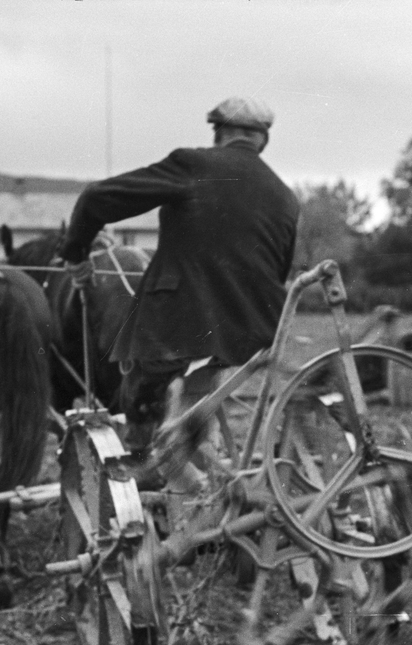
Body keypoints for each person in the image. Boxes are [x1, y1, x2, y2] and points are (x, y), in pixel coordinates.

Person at [58, 96, 299, 492]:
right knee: (201, 385)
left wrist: (76, 254)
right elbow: (279, 268)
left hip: (176, 319)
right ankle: (188, 456)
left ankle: (145, 460)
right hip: (253, 333)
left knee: (141, 383)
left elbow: (96, 198)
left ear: (219, 134)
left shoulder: (195, 164)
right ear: (263, 141)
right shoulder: (286, 196)